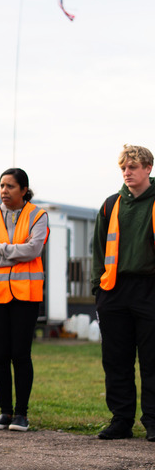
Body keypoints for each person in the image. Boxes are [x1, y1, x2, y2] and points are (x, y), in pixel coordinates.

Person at [0, 169, 49, 432]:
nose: (4, 191)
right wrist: (14, 254)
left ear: (24, 190)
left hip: (25, 295)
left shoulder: (38, 215)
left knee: (20, 354)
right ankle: (4, 413)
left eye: (10, 186)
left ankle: (21, 415)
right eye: (1, 186)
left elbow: (34, 249)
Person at [91, 144, 155, 441]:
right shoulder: (110, 205)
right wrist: (97, 289)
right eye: (123, 168)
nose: (127, 173)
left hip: (149, 288)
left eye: (132, 167)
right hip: (114, 290)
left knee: (152, 359)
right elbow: (98, 250)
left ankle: (153, 421)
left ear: (148, 169)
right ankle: (121, 421)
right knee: (116, 359)